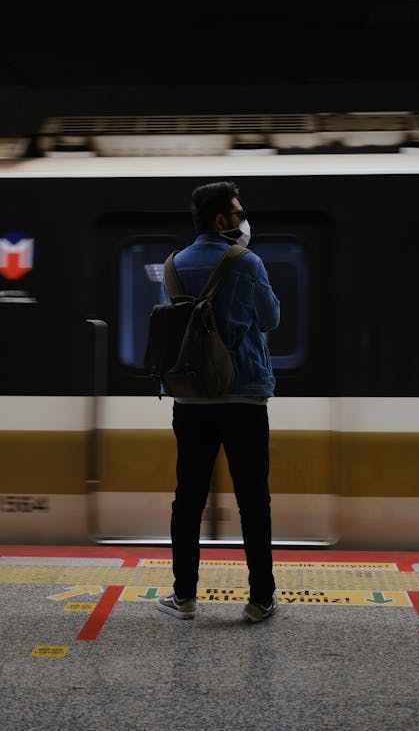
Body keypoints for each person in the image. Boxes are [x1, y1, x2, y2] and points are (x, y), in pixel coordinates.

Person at [156, 181, 281, 623]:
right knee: (253, 498)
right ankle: (260, 599)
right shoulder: (247, 262)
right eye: (238, 213)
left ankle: (184, 596)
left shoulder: (173, 267)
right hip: (244, 398)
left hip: (191, 403)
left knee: (188, 498)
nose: (243, 219)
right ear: (220, 220)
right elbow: (270, 319)